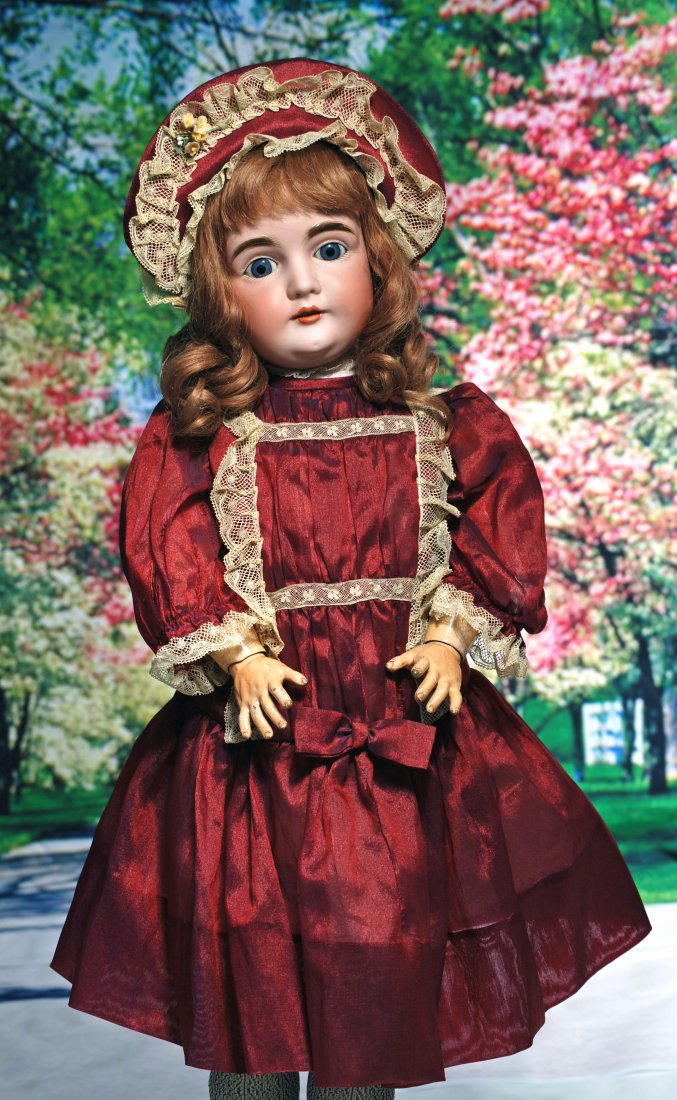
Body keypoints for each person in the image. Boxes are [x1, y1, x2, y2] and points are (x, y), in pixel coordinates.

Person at [50, 58, 652, 1100]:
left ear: (377, 254)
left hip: (401, 747)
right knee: (251, 998)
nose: (301, 282)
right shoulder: (202, 436)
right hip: (252, 758)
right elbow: (173, 556)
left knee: (372, 986)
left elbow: (497, 538)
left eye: (328, 247)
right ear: (217, 290)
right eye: (260, 261)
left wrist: (448, 633)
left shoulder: (446, 425)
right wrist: (236, 652)